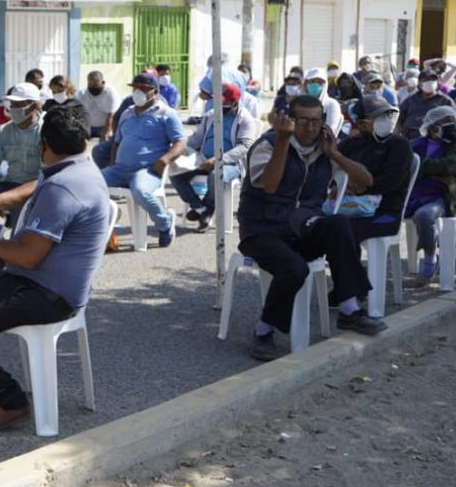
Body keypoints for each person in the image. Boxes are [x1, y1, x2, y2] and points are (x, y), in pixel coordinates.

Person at [0, 102, 112, 432]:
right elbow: (38, 184)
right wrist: (0, 201)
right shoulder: (79, 167)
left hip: (46, 292)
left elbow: (29, 255)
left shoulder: (63, 188)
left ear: (43, 144)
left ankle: (9, 400)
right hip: (40, 280)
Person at [236, 95, 385, 361]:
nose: (310, 128)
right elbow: (269, 184)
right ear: (291, 121)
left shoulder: (323, 149)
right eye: (303, 121)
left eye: (317, 121)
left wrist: (335, 154)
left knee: (339, 224)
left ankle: (349, 309)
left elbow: (366, 180)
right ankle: (263, 331)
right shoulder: (267, 145)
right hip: (262, 230)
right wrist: (283, 140)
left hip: (301, 228)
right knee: (295, 268)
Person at [97, 71, 186, 247]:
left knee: (140, 192)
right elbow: (117, 141)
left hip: (147, 170)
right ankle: (104, 223)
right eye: (135, 87)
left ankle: (165, 222)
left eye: (143, 88)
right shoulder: (127, 113)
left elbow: (180, 143)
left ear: (154, 90)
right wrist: (113, 162)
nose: (138, 92)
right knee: (91, 185)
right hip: (120, 169)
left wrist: (164, 160)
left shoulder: (166, 114)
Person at [169, 83, 258, 230]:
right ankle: (200, 208)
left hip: (231, 164)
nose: (220, 106)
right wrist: (178, 149)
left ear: (235, 103)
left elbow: (244, 147)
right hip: (203, 159)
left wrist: (218, 160)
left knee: (216, 174)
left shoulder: (245, 119)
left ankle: (208, 209)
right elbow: (197, 139)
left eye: (224, 103)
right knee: (175, 173)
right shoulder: (210, 115)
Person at [335, 94, 412, 246]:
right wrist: (338, 186)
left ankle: (351, 269)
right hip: (350, 207)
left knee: (345, 230)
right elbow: (331, 165)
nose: (385, 120)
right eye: (378, 116)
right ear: (361, 124)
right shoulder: (352, 143)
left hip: (387, 213)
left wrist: (358, 189)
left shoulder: (399, 145)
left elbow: (391, 181)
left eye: (387, 114)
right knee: (325, 225)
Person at [404, 107, 456, 282]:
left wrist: (421, 167)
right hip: (412, 195)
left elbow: (451, 167)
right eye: (445, 122)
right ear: (432, 126)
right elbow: (404, 167)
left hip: (442, 197)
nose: (452, 125)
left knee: (424, 215)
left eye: (452, 121)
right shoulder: (414, 145)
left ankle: (429, 257)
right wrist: (434, 172)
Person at [0, 83, 44, 203]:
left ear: (34, 105)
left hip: (37, 189)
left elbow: (48, 174)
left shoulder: (46, 130)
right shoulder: (3, 131)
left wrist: (2, 201)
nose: (13, 109)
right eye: (12, 104)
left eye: (19, 105)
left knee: (17, 215)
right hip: (10, 185)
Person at [397, 68, 456, 139]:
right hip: (410, 136)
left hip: (434, 138)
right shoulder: (410, 100)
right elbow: (399, 119)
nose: (430, 82)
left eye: (433, 80)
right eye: (426, 80)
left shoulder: (445, 101)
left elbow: (454, 123)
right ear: (419, 83)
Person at [77, 71, 118, 140]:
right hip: (87, 128)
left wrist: (105, 134)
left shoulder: (110, 93)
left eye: (95, 85)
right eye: (90, 84)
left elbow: (111, 116)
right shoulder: (82, 94)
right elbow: (78, 113)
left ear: (103, 83)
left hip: (105, 128)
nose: (92, 87)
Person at [302, 68, 344, 133]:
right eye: (312, 81)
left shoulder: (331, 104)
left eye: (319, 82)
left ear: (325, 84)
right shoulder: (300, 105)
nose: (315, 84)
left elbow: (330, 129)